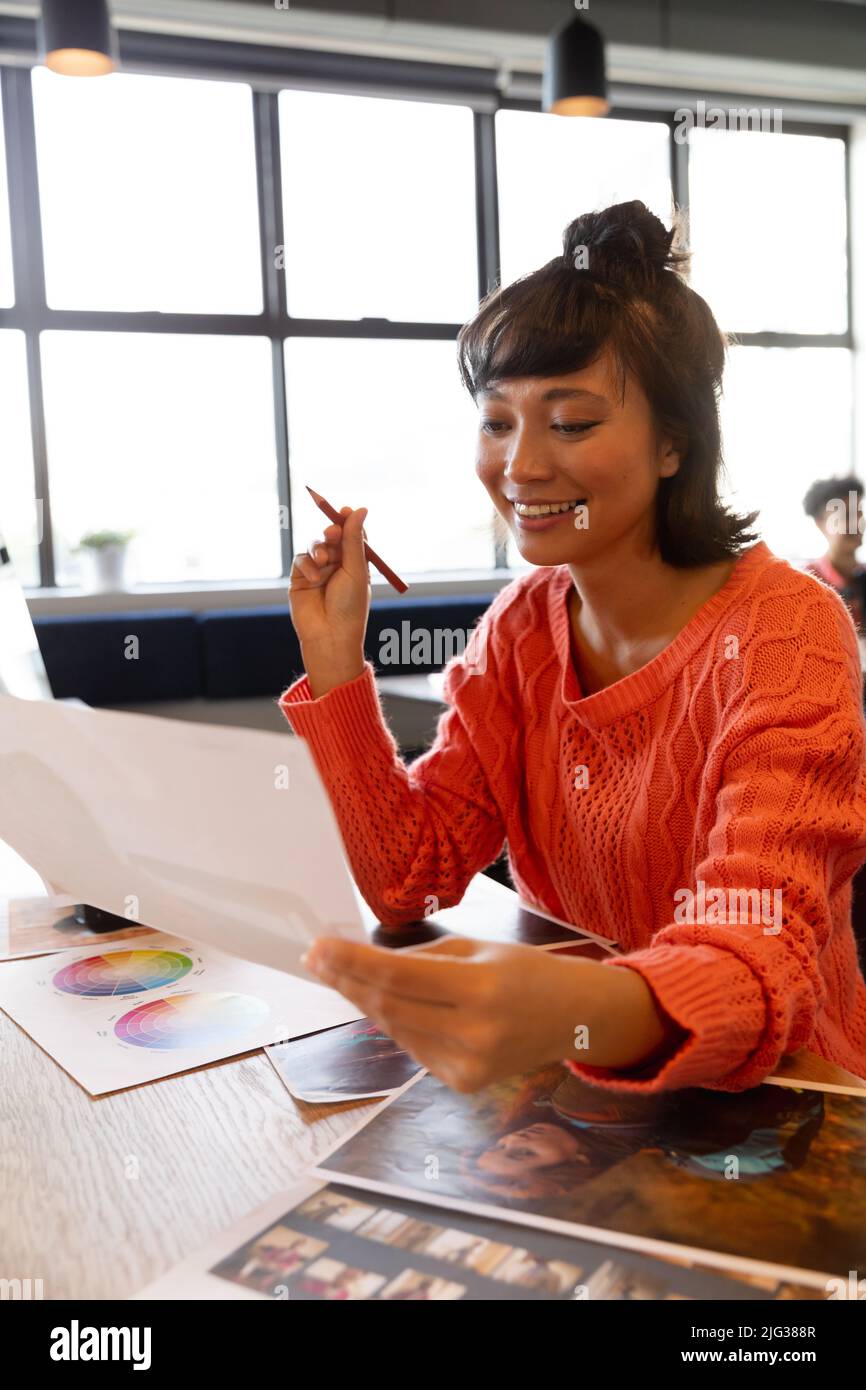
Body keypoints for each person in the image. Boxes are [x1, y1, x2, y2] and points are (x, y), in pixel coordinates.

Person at [285, 200, 866, 1097]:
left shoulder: (788, 630)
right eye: (497, 421)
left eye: (572, 423)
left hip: (786, 1101)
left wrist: (574, 1008)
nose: (520, 466)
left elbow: (758, 954)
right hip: (586, 1085)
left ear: (675, 444)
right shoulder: (520, 627)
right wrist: (335, 666)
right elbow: (412, 876)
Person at [802, 475, 866, 637]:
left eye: (859, 513)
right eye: (846, 516)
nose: (857, 523)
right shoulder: (806, 585)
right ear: (820, 524)